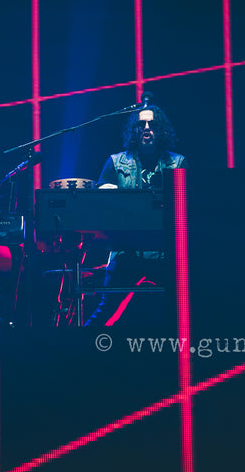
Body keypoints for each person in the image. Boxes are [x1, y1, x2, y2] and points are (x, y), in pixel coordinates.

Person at [84, 104, 186, 326]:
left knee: (176, 313)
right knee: (106, 312)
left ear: (161, 130)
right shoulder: (115, 162)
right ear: (134, 130)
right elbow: (100, 203)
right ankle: (81, 346)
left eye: (152, 124)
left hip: (164, 253)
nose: (147, 128)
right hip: (125, 252)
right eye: (141, 124)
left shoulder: (178, 163)